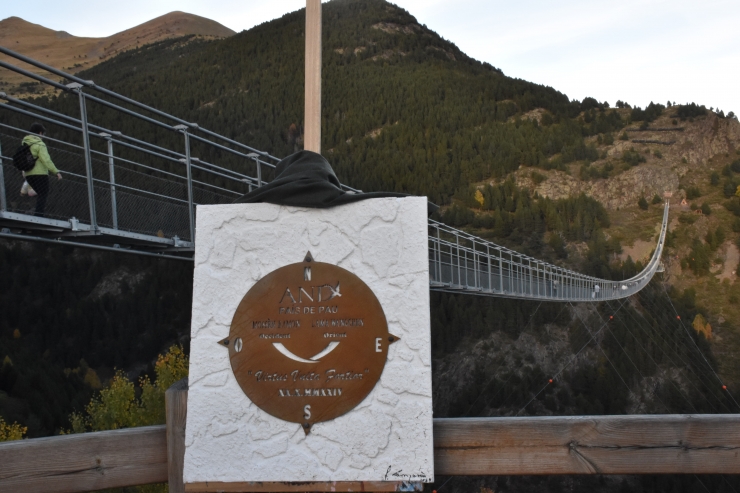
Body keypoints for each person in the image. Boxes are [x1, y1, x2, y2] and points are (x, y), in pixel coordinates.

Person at [22, 123, 61, 217]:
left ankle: (30, 207)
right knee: (43, 193)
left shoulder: (25, 143)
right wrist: (56, 172)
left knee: (37, 192)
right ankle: (38, 215)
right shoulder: (40, 144)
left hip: (28, 173)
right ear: (40, 133)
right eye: (43, 134)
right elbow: (46, 159)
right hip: (40, 173)